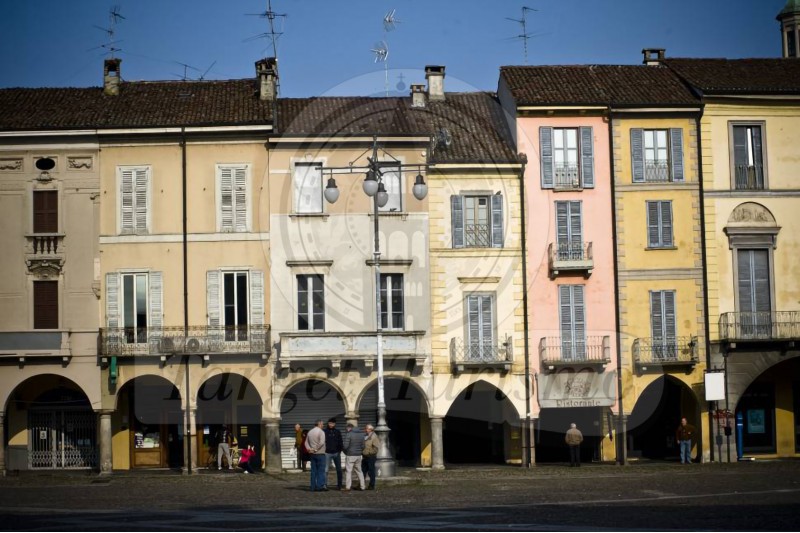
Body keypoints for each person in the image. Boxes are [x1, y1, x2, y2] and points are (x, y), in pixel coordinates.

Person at [341, 423, 366, 492]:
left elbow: (345, 446)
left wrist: (345, 451)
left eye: (346, 428)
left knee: (348, 471)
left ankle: (348, 487)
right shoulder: (361, 434)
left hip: (350, 455)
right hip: (358, 455)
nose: (346, 430)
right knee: (359, 471)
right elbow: (363, 446)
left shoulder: (349, 434)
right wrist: (360, 451)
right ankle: (363, 486)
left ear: (349, 428)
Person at [305, 419, 327, 491]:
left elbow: (306, 442)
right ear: (319, 424)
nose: (323, 425)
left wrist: (309, 449)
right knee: (321, 471)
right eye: (322, 424)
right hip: (320, 453)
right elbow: (321, 443)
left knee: (313, 471)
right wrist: (315, 449)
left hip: (312, 454)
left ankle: (312, 487)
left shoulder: (310, 432)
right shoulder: (321, 432)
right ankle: (319, 486)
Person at [324, 417, 344, 490]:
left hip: (336, 453)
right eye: (329, 423)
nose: (331, 424)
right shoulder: (325, 431)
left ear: (334, 424)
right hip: (327, 453)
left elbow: (341, 441)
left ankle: (339, 485)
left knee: (339, 469)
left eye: (332, 423)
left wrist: (340, 450)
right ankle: (324, 484)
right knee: (326, 470)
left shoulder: (337, 431)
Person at [362, 424, 379, 490]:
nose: (365, 430)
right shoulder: (366, 436)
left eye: (366, 428)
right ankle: (361, 484)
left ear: (370, 429)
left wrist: (369, 453)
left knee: (371, 471)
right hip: (365, 456)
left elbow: (376, 448)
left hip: (371, 457)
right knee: (363, 471)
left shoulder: (374, 437)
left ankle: (372, 485)